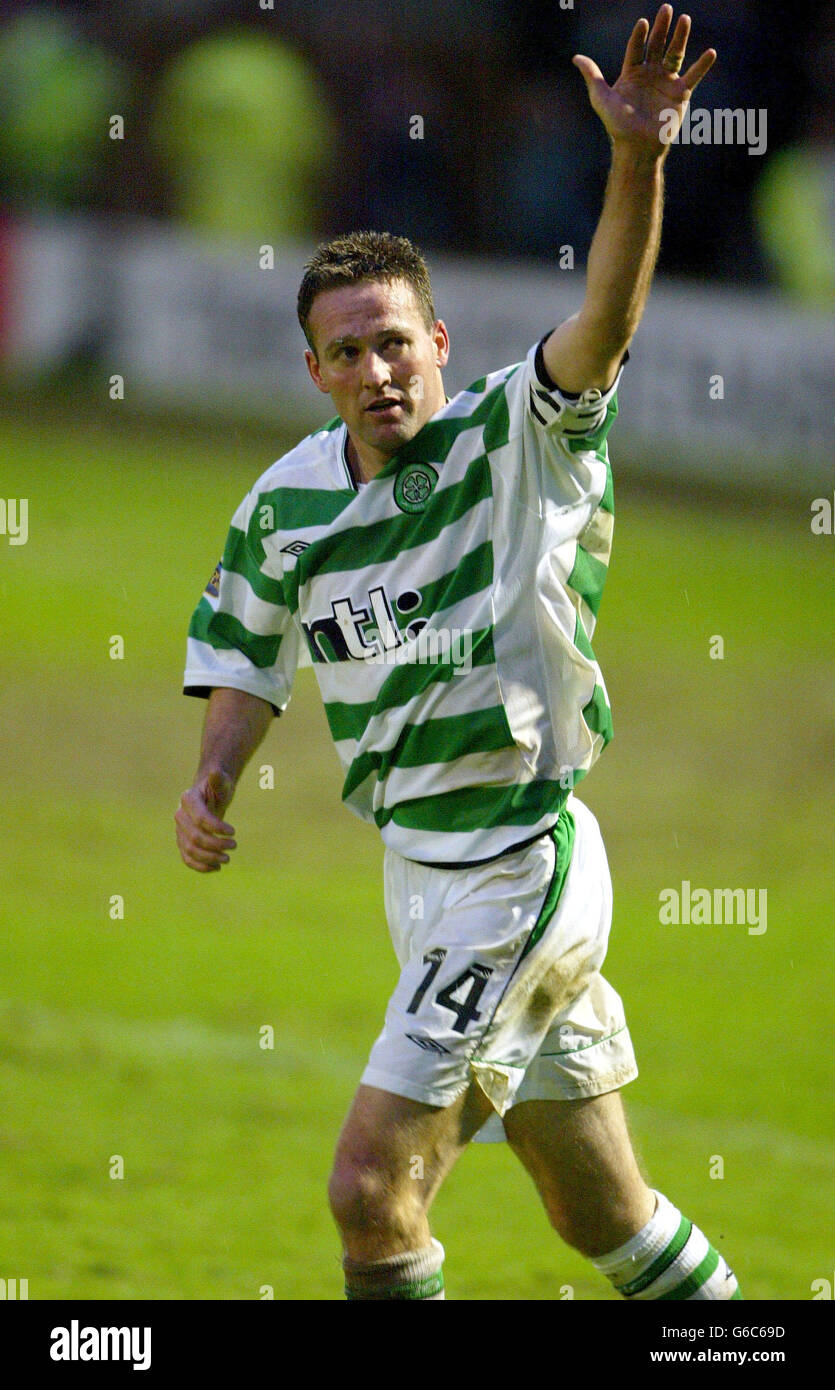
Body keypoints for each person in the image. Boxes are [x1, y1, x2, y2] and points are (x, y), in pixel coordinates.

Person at [176, 6, 740, 1301]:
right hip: (415, 873)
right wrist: (212, 777)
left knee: (371, 1189)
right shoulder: (287, 502)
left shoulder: (521, 438)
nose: (379, 368)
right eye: (349, 350)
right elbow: (247, 645)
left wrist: (638, 159)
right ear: (315, 370)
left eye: (397, 342)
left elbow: (605, 316)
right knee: (604, 1210)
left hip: (518, 864)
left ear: (440, 344)